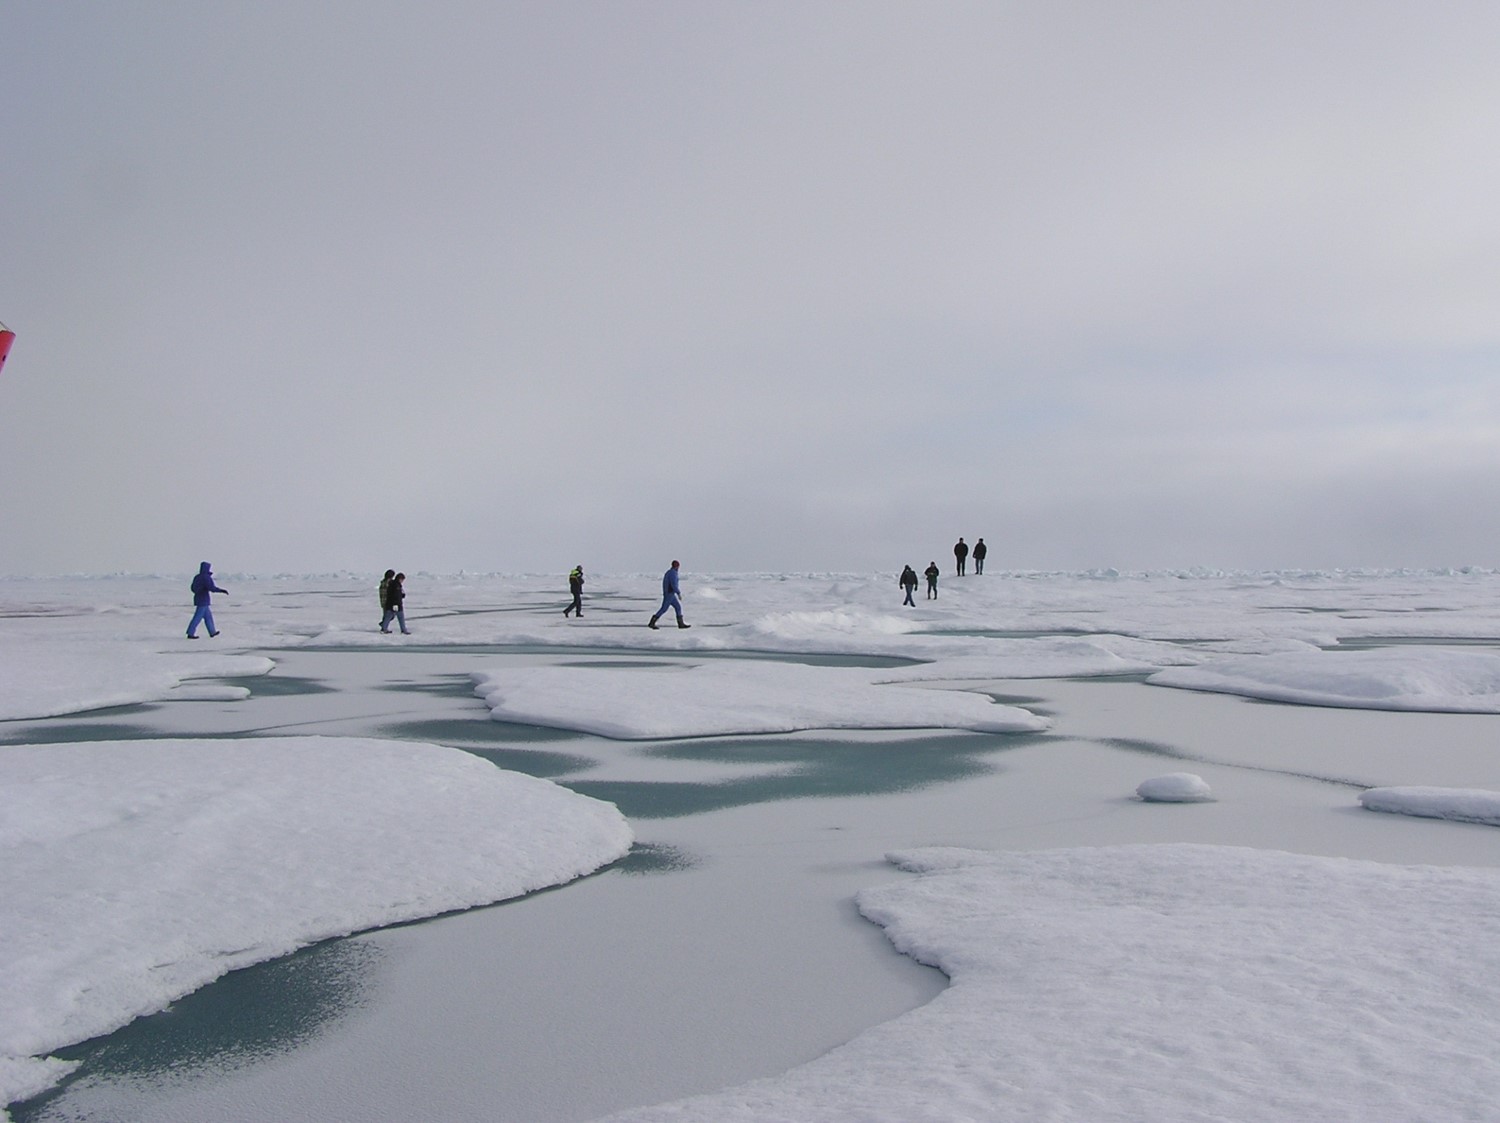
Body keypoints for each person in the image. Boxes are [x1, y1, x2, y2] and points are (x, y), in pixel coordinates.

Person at [186, 561, 227, 638]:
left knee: (208, 617)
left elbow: (192, 588)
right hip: (203, 600)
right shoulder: (206, 577)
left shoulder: (197, 577)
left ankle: (212, 632)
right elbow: (212, 588)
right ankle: (190, 633)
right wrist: (221, 590)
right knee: (197, 617)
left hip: (198, 598)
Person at [648, 560, 690, 629]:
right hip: (669, 594)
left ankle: (681, 624)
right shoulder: (673, 573)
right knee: (664, 609)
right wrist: (678, 593)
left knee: (678, 607)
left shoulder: (669, 572)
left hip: (671, 594)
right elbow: (673, 584)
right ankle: (652, 622)